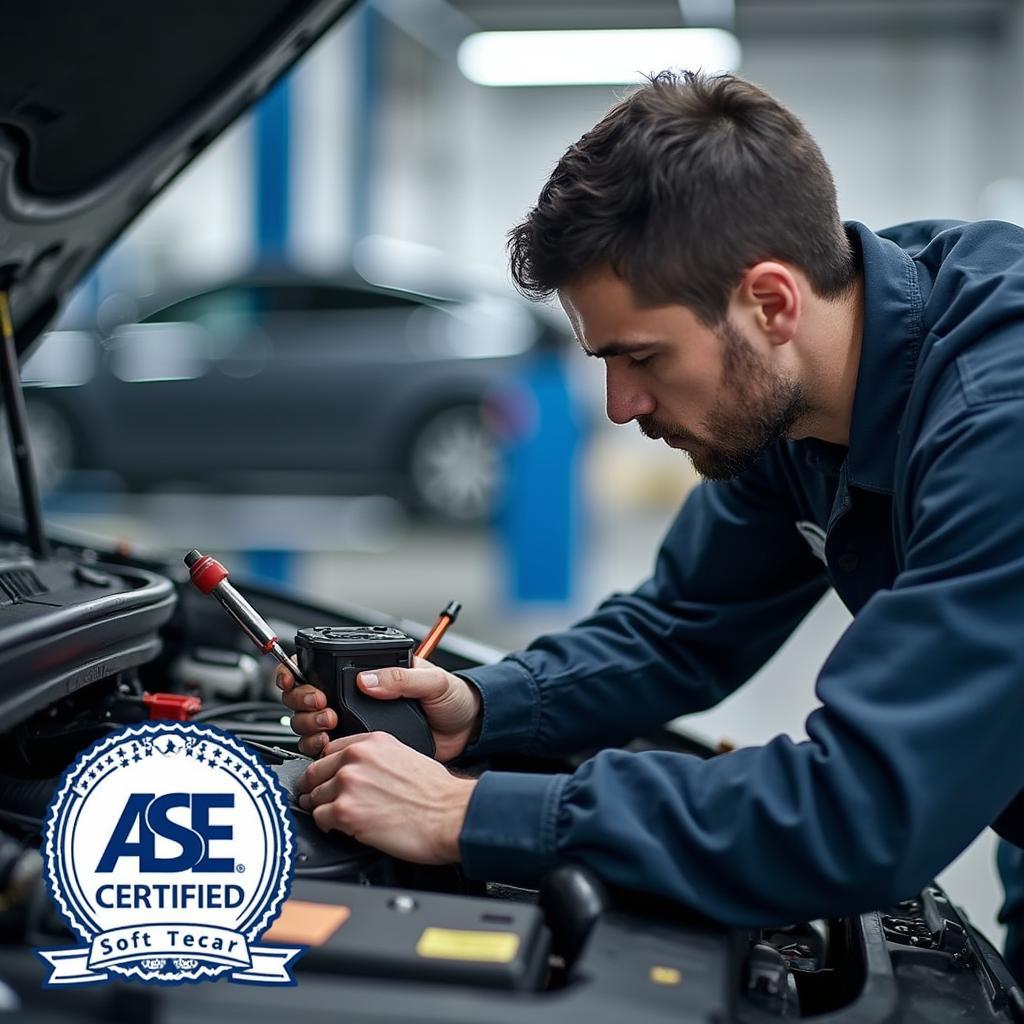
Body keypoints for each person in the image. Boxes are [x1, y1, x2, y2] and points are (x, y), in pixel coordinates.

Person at [276, 70, 1024, 962]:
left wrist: (466, 813)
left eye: (641, 357)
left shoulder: (996, 423)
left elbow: (859, 813)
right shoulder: (806, 378)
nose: (621, 405)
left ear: (771, 302)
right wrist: (481, 707)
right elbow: (681, 626)